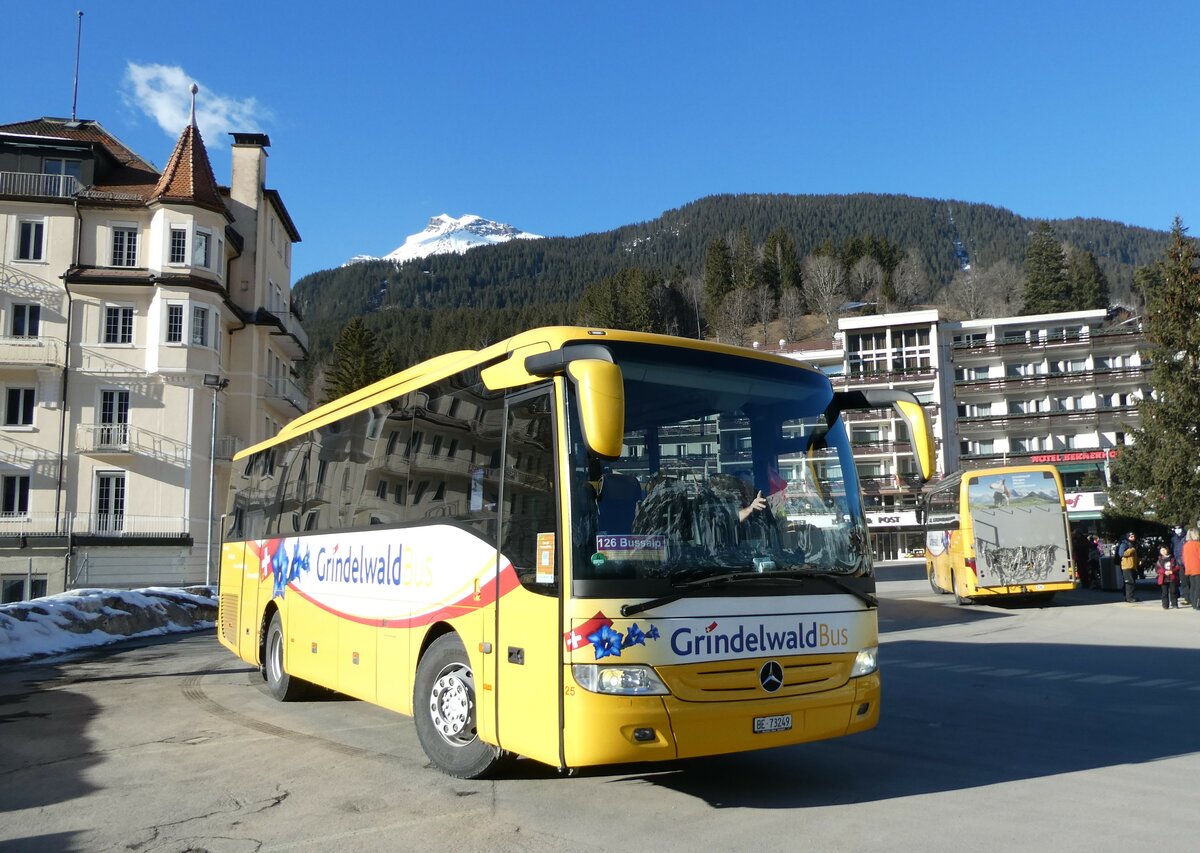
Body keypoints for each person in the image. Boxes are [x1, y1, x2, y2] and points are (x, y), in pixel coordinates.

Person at [1155, 544, 1180, 609]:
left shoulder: (1172, 559)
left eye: (1164, 550)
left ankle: (1174, 604)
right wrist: (1164, 572)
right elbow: (1157, 569)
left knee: (1173, 591)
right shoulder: (1159, 560)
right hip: (1163, 578)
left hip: (1172, 577)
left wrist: (1172, 571)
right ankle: (1165, 605)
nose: (1163, 551)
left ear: (1167, 550)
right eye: (1161, 550)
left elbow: (1177, 567)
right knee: (1164, 592)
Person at [1118, 532, 1139, 603]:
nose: (1133, 537)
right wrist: (1131, 550)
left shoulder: (1133, 544)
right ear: (1127, 537)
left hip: (1132, 566)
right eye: (1131, 536)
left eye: (1133, 536)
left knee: (1132, 581)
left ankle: (1130, 596)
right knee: (1129, 582)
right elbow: (1121, 554)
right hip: (1126, 566)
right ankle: (1129, 598)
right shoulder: (1124, 544)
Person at [1183, 528, 1200, 611]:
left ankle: (1193, 603)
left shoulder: (1186, 545)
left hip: (1189, 568)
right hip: (1197, 567)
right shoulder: (1197, 544)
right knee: (1198, 587)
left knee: (1193, 586)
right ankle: (1197, 604)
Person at [1170, 525, 1187, 603]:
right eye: (1175, 528)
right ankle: (1185, 596)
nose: (1177, 530)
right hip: (1177, 562)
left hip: (1186, 562)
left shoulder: (1186, 537)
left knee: (1187, 581)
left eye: (1179, 528)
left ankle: (1188, 597)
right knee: (1180, 581)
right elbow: (1173, 550)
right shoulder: (1174, 538)